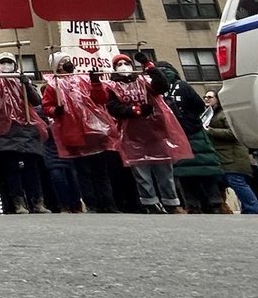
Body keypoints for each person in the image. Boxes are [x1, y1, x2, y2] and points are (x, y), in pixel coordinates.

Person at [93, 53, 189, 214]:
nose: (123, 66)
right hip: (132, 135)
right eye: (119, 64)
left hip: (156, 131)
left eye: (126, 63)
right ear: (114, 68)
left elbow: (162, 86)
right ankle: (150, 202)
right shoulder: (112, 86)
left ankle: (171, 202)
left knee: (164, 168)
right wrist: (135, 110)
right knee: (141, 172)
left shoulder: (144, 80)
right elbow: (111, 107)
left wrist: (149, 65)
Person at [40, 52, 121, 213]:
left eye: (68, 60)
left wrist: (96, 81)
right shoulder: (53, 85)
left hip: (94, 130)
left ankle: (108, 203)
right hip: (74, 133)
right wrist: (56, 110)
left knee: (100, 170)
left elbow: (101, 98)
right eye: (63, 62)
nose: (68, 64)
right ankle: (92, 204)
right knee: (84, 171)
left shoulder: (84, 79)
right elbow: (46, 107)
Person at [0, 49, 49, 214]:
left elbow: (36, 101)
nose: (6, 65)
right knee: (12, 169)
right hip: (6, 130)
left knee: (32, 168)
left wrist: (27, 85)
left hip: (27, 127)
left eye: (9, 62)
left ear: (15, 65)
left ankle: (37, 201)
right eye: (2, 62)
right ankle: (18, 203)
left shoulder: (21, 80)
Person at [157, 62, 223, 214]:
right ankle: (215, 202)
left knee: (184, 174)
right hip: (195, 133)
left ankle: (192, 205)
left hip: (174, 135)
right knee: (206, 171)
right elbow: (199, 106)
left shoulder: (157, 90)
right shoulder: (183, 85)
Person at [204, 90, 258, 214]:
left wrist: (210, 130)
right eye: (205, 97)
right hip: (222, 158)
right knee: (221, 184)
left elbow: (233, 133)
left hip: (233, 158)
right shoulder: (211, 114)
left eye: (210, 97)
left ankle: (253, 209)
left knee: (238, 183)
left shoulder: (225, 114)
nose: (206, 99)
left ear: (218, 99)